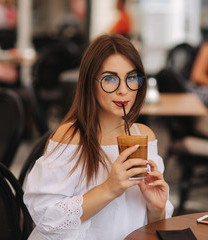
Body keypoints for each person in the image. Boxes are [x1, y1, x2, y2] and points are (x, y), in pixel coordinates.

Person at [23, 33, 174, 240]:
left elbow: (148, 225)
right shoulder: (71, 137)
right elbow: (46, 219)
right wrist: (109, 188)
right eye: (110, 79)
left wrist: (156, 208)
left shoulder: (144, 135)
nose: (124, 91)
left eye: (131, 78)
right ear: (90, 83)